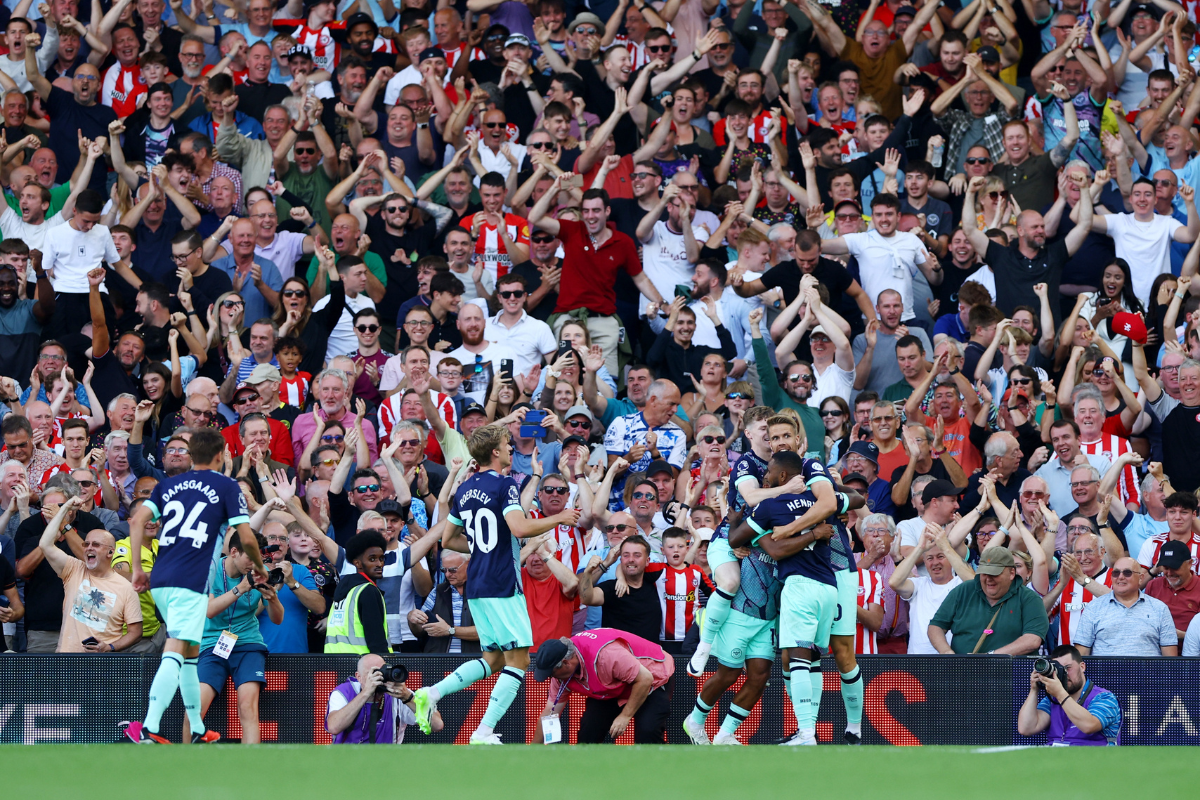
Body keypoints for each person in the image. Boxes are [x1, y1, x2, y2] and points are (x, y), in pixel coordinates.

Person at [411, 423, 579, 744]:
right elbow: (518, 528)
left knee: (494, 659)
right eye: (507, 443)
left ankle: (431, 693)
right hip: (503, 583)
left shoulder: (466, 487)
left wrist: (481, 547)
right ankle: (483, 731)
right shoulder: (505, 485)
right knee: (520, 660)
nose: (511, 448)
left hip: (477, 585)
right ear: (495, 452)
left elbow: (449, 539)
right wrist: (560, 517)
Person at [123, 428, 267, 745]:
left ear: (191, 455)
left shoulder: (169, 485)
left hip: (161, 576)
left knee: (189, 653)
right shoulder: (226, 486)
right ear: (220, 455)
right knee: (176, 648)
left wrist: (137, 568)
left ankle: (198, 730)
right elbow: (245, 537)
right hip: (190, 578)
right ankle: (148, 727)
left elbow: (135, 521)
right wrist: (258, 567)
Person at [184, 529, 283, 745]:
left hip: (248, 642)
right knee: (195, 707)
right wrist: (241, 587)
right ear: (234, 552)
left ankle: (250, 769)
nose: (254, 564)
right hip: (212, 643)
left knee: (248, 706)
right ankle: (185, 765)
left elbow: (277, 619)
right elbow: (209, 610)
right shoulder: (209, 570)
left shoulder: (261, 572)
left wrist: (273, 598)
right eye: (250, 557)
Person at [534, 629, 675, 745]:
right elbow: (550, 711)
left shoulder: (606, 656)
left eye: (551, 673)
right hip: (613, 687)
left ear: (566, 663)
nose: (551, 678)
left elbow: (645, 679)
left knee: (648, 732)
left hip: (651, 680)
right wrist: (532, 752)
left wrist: (625, 716)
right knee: (588, 733)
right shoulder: (560, 674)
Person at [38, 497, 142, 652]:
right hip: (66, 663)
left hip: (101, 668)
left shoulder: (125, 588)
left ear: (110, 552)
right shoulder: (74, 569)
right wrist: (65, 508)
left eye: (96, 544)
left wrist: (110, 647)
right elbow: (45, 544)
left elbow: (136, 632)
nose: (89, 548)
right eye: (86, 544)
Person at [928, 547, 1049, 655]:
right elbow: (936, 626)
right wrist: (946, 651)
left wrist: (991, 657)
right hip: (964, 673)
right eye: (984, 573)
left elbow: (1032, 640)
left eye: (994, 574)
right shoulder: (964, 590)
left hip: (1011, 675)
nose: (988, 579)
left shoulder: (1029, 598)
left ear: (1011, 573)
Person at [326, 653, 444, 743]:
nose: (378, 678)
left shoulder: (397, 692)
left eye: (381, 672)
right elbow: (334, 727)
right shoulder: (344, 692)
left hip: (387, 763)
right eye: (373, 673)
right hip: (347, 762)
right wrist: (366, 693)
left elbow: (437, 725)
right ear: (359, 677)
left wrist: (407, 697)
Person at [1016, 645, 1122, 745]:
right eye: (1058, 669)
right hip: (1055, 759)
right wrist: (1034, 690)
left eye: (1068, 668)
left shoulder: (1105, 698)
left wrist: (1060, 694)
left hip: (1093, 759)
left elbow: (1089, 726)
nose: (1064, 673)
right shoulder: (1052, 699)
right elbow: (1026, 728)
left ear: (1082, 667)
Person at [1073, 557, 1178, 656]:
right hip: (1105, 675)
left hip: (1148, 675)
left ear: (1141, 578)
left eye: (1127, 573)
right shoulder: (1093, 608)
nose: (1120, 577)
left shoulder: (1159, 608)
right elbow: (1081, 655)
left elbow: (1170, 660)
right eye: (1116, 573)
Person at [577, 535, 662, 644]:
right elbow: (586, 599)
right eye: (626, 555)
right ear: (620, 559)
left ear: (647, 561)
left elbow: (680, 566)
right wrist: (588, 572)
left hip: (650, 657)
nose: (631, 560)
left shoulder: (656, 582)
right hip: (618, 657)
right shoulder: (611, 587)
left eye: (637, 555)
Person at [1143, 540, 1200, 644]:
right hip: (1154, 651)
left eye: (1175, 567)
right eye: (1165, 567)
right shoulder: (1153, 585)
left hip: (1191, 654)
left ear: (1190, 564)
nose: (1169, 573)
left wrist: (1180, 635)